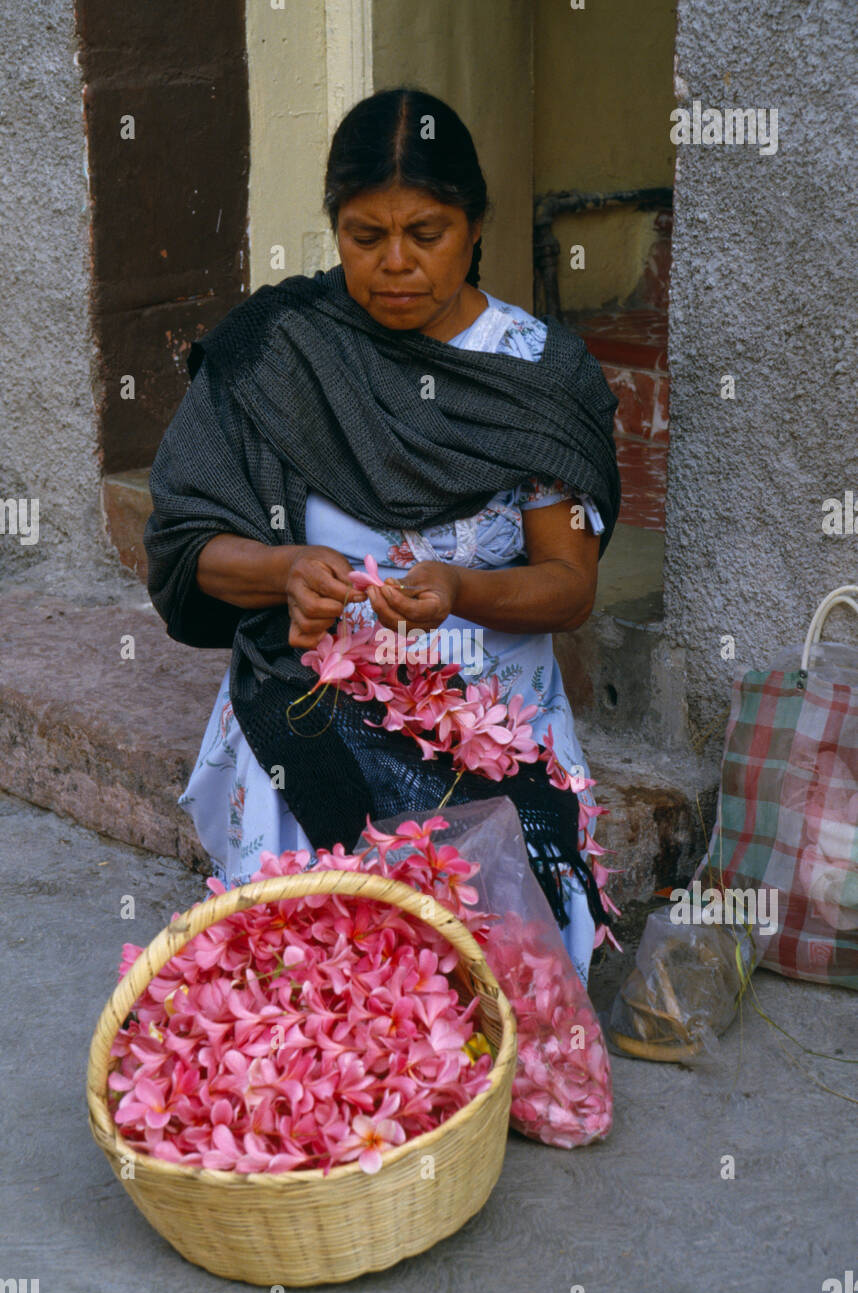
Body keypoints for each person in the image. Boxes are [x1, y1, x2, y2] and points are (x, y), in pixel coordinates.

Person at [144, 88, 621, 985]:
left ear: (475, 225)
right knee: (313, 975)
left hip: (488, 719)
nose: (396, 264)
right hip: (310, 703)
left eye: (427, 233)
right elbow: (185, 545)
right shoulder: (281, 349)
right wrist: (285, 570)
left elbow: (570, 583)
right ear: (334, 229)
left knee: (490, 987)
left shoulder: (537, 375)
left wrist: (461, 587)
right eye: (366, 237)